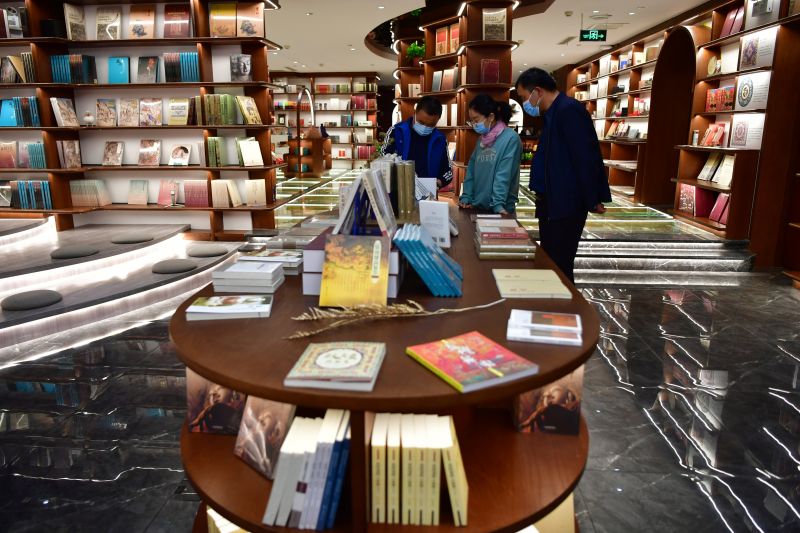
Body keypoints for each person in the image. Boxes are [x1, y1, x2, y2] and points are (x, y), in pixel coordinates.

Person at [515, 67, 611, 283]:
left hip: (566, 203)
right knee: (550, 262)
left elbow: (584, 157)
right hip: (552, 201)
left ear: (537, 91)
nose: (524, 103)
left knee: (560, 264)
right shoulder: (553, 112)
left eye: (523, 97)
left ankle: (567, 302)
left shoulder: (569, 110)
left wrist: (592, 198)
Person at [457, 94, 522, 214]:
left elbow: (504, 174)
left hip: (501, 209)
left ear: (491, 116)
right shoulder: (482, 139)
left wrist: (498, 205)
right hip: (478, 206)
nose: (474, 124)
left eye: (476, 120)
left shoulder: (511, 138)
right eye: (471, 121)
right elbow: (471, 171)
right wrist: (466, 197)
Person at [380, 95, 452, 188]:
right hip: (399, 190)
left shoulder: (440, 139)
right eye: (421, 122)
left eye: (431, 125)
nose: (425, 127)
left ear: (437, 120)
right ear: (415, 113)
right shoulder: (397, 131)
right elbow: (383, 158)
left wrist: (438, 182)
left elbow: (448, 171)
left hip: (427, 192)